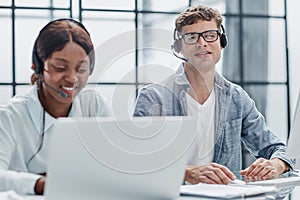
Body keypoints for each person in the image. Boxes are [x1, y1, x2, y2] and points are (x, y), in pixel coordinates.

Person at [133, 5, 294, 185]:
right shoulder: (153, 97)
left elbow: (276, 148)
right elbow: (138, 159)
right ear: (179, 48)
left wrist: (276, 165)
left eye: (210, 35)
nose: (202, 43)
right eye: (192, 37)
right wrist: (184, 172)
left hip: (226, 196)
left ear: (221, 42)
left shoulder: (236, 97)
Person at [0, 18, 111, 195]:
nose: (72, 78)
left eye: (81, 69)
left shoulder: (94, 106)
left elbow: (114, 165)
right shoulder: (9, 116)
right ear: (38, 67)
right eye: (60, 68)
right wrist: (39, 184)